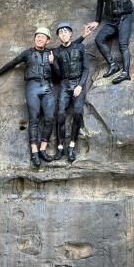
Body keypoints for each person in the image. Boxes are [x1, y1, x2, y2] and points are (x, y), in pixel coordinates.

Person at [0, 27, 56, 167]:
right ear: (34, 38)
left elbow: (67, 52)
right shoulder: (27, 53)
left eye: (43, 37)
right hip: (32, 87)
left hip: (48, 87)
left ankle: (43, 149)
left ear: (48, 40)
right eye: (37, 36)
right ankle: (34, 152)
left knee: (49, 118)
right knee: (34, 118)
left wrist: (53, 63)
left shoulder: (52, 54)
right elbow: (13, 63)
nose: (39, 38)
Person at [52, 22, 90, 162]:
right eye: (61, 33)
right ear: (58, 36)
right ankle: (60, 147)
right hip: (64, 84)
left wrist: (80, 85)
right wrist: (53, 63)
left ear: (71, 34)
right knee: (60, 114)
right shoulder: (56, 52)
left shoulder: (80, 47)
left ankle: (72, 146)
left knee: (78, 112)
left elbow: (86, 69)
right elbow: (57, 74)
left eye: (66, 32)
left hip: (78, 84)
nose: (63, 34)